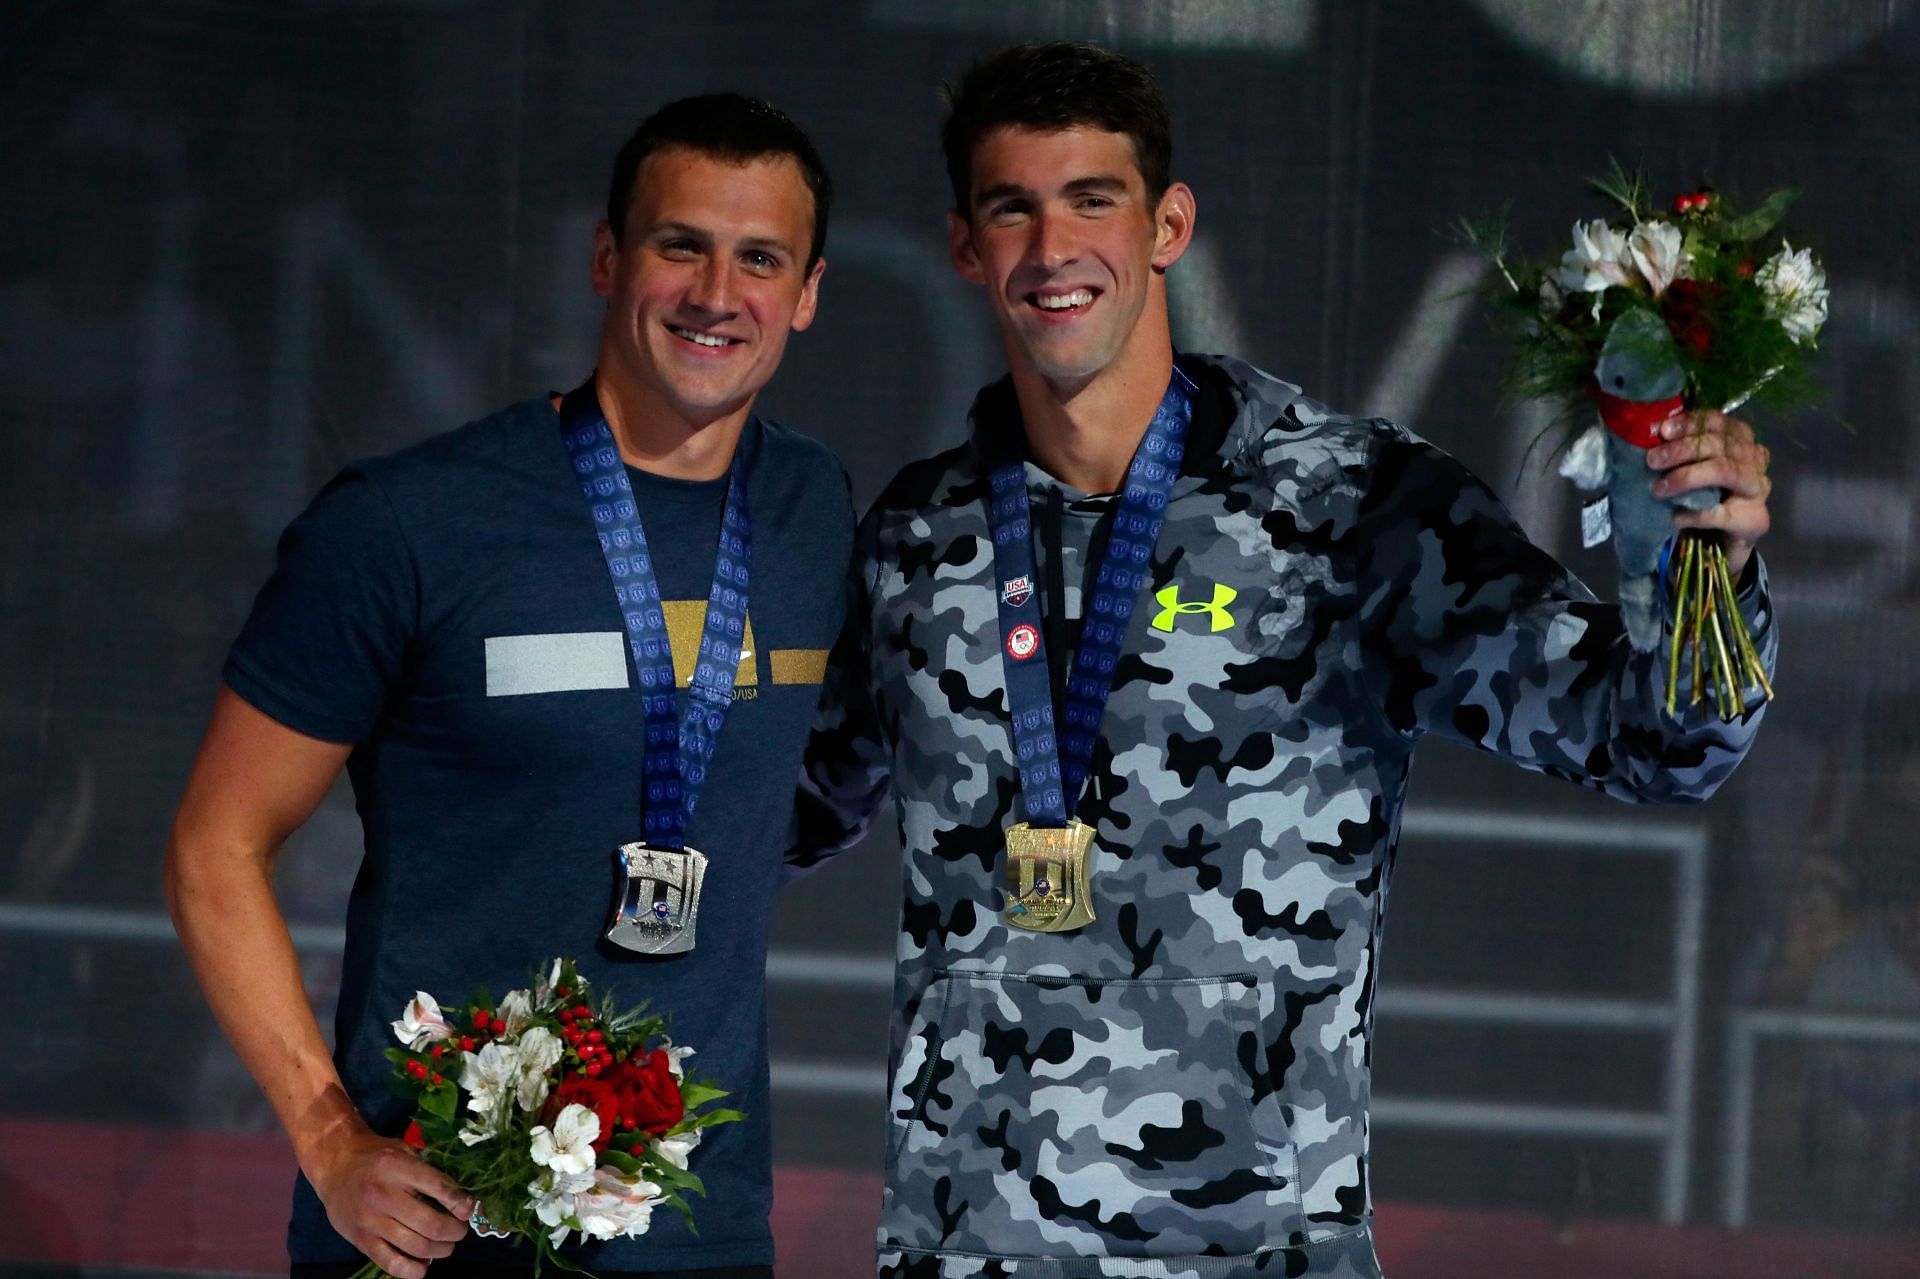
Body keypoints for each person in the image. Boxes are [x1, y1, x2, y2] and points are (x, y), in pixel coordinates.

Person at [791, 42, 1778, 1279]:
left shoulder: (1356, 505)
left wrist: (1707, 565)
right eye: (1013, 210)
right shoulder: (917, 535)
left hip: (1261, 1254)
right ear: (964, 244)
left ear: (1168, 225)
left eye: (1093, 201)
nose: (1053, 251)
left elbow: (1653, 741)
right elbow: (773, 810)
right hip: (964, 1255)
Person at [166, 93, 851, 1279]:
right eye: (679, 244)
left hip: (702, 1234)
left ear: (806, 293)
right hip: (430, 1230)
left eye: (760, 259)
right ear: (605, 258)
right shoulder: (408, 522)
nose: (714, 292)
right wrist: (330, 1145)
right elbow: (213, 847)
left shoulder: (813, 514)